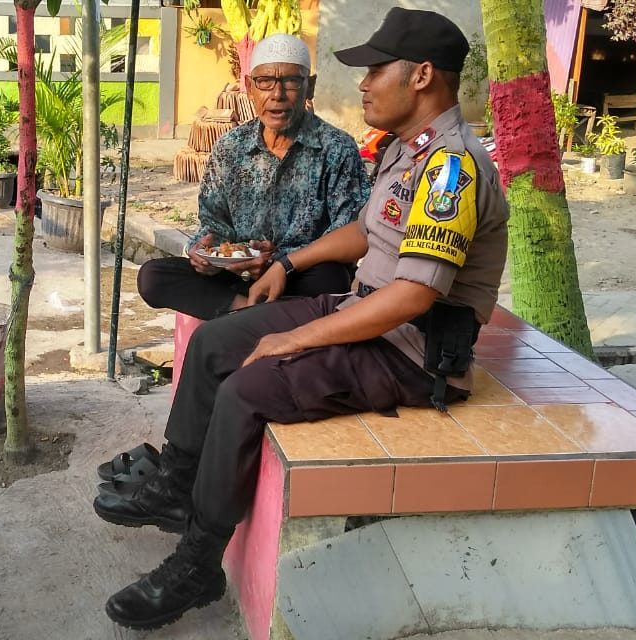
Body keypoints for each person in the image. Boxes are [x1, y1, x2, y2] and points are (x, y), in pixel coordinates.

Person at [93, 6, 510, 631]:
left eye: (374, 69)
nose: (363, 84)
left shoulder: (452, 167)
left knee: (243, 391)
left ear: (421, 76)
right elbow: (363, 234)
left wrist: (295, 335)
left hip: (408, 350)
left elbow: (412, 298)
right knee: (212, 344)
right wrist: (287, 263)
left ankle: (198, 563)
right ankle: (181, 486)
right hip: (359, 309)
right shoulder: (407, 152)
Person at [135, 33, 371, 321]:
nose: (277, 94)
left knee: (331, 278)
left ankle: (249, 316)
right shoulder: (230, 146)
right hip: (237, 276)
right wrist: (203, 252)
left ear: (310, 87)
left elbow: (350, 233)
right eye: (265, 82)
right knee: (154, 276)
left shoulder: (337, 148)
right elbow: (214, 223)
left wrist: (279, 263)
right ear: (249, 87)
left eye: (292, 81)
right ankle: (251, 311)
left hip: (298, 277)